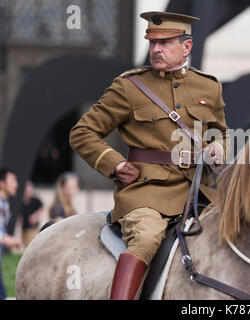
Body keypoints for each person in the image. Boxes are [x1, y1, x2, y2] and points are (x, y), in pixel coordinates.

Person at [69, 11, 229, 300]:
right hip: (146, 194)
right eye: (152, 42)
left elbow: (223, 133)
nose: (156, 49)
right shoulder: (129, 87)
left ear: (187, 47)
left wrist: (219, 148)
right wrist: (114, 163)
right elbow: (82, 133)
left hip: (200, 194)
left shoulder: (209, 87)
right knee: (145, 240)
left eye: (165, 43)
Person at [0, 168, 22, 300]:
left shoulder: (4, 204)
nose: (17, 184)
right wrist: (12, 241)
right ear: (1, 183)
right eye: (13, 180)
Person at [20, 180, 44, 247]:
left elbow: (41, 208)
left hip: (32, 227)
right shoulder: (22, 201)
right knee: (25, 244)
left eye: (30, 191)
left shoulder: (35, 200)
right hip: (24, 227)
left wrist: (35, 216)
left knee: (30, 244)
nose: (29, 193)